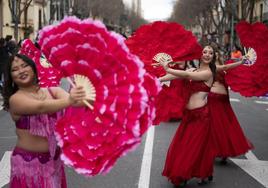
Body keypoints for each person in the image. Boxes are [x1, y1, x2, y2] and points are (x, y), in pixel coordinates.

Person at [2, 54, 88, 188]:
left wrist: (83, 88)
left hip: (54, 162)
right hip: (28, 166)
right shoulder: (16, 100)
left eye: (25, 66)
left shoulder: (54, 91)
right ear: (11, 77)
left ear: (34, 69)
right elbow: (41, 107)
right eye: (15, 69)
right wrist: (69, 100)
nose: (21, 71)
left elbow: (78, 103)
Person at [156, 45, 217, 186]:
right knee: (185, 145)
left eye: (211, 53)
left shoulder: (208, 73)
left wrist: (167, 68)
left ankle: (185, 174)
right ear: (200, 54)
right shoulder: (194, 69)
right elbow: (176, 75)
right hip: (189, 114)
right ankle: (201, 173)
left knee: (192, 147)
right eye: (205, 52)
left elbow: (187, 76)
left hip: (201, 116)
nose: (207, 54)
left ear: (213, 56)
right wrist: (159, 79)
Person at [208, 50, 253, 163]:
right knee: (215, 126)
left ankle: (223, 151)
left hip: (223, 100)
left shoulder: (222, 66)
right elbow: (225, 67)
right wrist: (240, 62)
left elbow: (230, 72)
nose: (214, 54)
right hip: (214, 98)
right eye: (210, 52)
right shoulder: (211, 67)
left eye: (213, 52)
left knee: (225, 127)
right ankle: (214, 150)